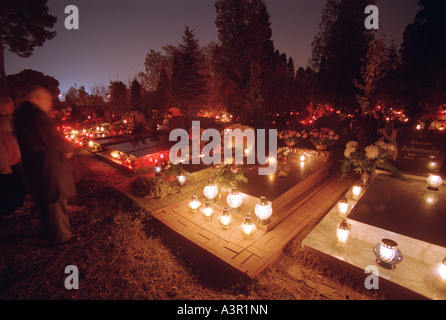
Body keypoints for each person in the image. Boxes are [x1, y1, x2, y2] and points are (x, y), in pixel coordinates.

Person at [14, 87, 76, 246]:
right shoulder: (35, 115)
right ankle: (61, 236)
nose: (49, 105)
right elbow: (51, 138)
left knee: (48, 203)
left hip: (39, 166)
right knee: (54, 202)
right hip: (48, 167)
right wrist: (67, 147)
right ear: (38, 99)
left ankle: (52, 233)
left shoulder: (23, 113)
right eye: (48, 101)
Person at [0, 96, 28, 217]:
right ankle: (12, 208)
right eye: (10, 104)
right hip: (8, 161)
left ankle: (18, 204)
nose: (12, 107)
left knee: (18, 183)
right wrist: (4, 165)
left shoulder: (7, 119)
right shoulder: (1, 122)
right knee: (10, 186)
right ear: (2, 105)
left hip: (15, 158)